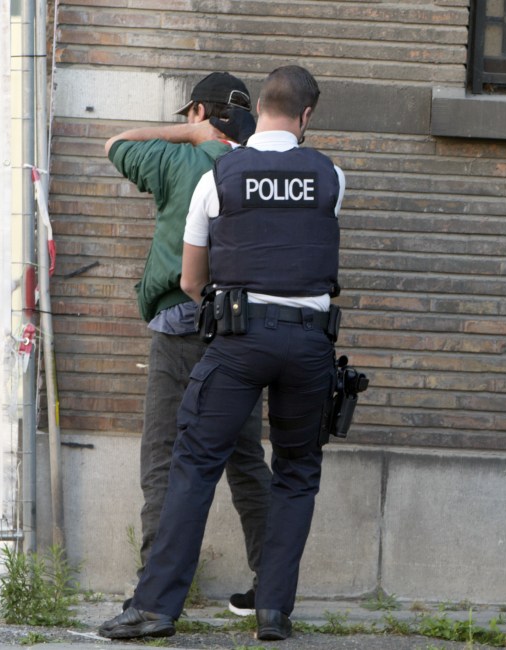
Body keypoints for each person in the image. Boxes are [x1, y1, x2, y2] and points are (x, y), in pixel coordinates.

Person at [98, 64, 346, 642]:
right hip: (310, 342)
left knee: (192, 465)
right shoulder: (332, 177)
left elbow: (189, 280)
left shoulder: (221, 176)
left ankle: (156, 608)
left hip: (238, 340)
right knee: (294, 472)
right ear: (306, 116)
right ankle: (274, 612)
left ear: (259, 108)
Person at [103, 71, 270, 615]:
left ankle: (153, 592)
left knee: (164, 458)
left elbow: (116, 145)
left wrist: (190, 136)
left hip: (180, 326)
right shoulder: (264, 168)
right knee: (244, 460)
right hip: (243, 334)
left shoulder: (181, 160)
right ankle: (271, 590)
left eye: (190, 116)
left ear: (200, 112)